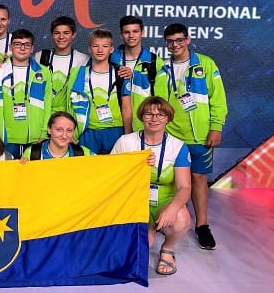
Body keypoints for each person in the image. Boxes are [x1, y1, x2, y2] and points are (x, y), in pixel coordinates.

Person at [155, 23, 227, 250]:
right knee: (173, 179)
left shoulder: (205, 64)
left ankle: (202, 225)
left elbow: (218, 99)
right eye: (170, 41)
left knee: (198, 178)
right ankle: (173, 219)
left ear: (188, 39)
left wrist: (216, 127)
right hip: (172, 136)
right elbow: (159, 103)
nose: (175, 45)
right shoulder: (162, 68)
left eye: (179, 40)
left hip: (200, 136)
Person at [111, 96, 191, 276]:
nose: (154, 118)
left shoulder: (178, 147)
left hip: (163, 200)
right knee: (138, 250)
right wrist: (134, 164)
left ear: (168, 118)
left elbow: (185, 187)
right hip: (134, 200)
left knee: (181, 218)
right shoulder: (125, 141)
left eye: (160, 114)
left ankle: (168, 248)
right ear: (141, 116)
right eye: (149, 114)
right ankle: (148, 229)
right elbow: (112, 175)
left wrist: (172, 208)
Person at [0, 28, 52, 159]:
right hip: (4, 136)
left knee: (33, 171)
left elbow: (48, 103)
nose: (22, 48)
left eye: (27, 45)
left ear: (32, 48)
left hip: (34, 137)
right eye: (17, 44)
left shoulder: (43, 72)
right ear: (10, 47)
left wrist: (44, 131)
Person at [66, 29, 132, 154]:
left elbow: (126, 106)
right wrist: (70, 132)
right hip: (88, 131)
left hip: (115, 130)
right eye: (95, 46)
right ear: (89, 49)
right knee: (88, 166)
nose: (100, 50)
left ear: (111, 49)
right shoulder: (78, 74)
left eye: (105, 46)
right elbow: (69, 105)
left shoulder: (121, 73)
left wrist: (128, 135)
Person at [110, 15, 163, 131]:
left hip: (144, 125)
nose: (131, 35)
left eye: (135, 31)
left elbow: (161, 99)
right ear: (121, 35)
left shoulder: (155, 62)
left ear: (142, 33)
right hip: (114, 125)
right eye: (127, 32)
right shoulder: (110, 60)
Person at [34, 16, 89, 113]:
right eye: (57, 33)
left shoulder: (84, 60)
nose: (61, 37)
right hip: (43, 113)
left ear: (73, 34)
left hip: (70, 114)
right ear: (52, 34)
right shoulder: (40, 56)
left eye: (66, 33)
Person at [21, 112, 92, 161]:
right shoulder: (32, 153)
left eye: (69, 130)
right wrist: (22, 167)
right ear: (49, 129)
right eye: (59, 130)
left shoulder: (84, 153)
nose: (64, 136)